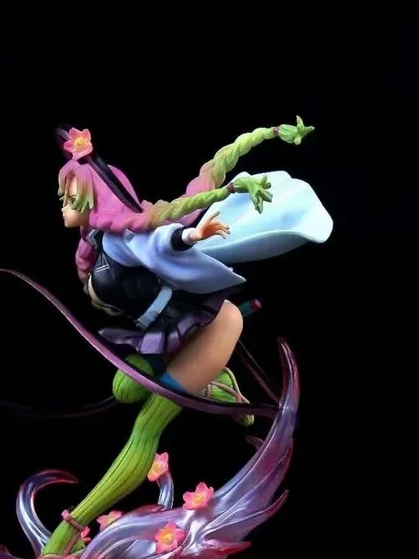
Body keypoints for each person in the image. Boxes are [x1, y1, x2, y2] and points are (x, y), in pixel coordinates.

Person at [55, 121, 332, 424]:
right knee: (124, 389)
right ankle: (217, 385)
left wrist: (191, 236)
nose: (64, 207)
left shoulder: (119, 241)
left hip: (173, 318)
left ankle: (167, 414)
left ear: (95, 201)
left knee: (133, 390)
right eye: (64, 199)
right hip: (154, 328)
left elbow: (157, 242)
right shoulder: (96, 240)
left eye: (72, 200)